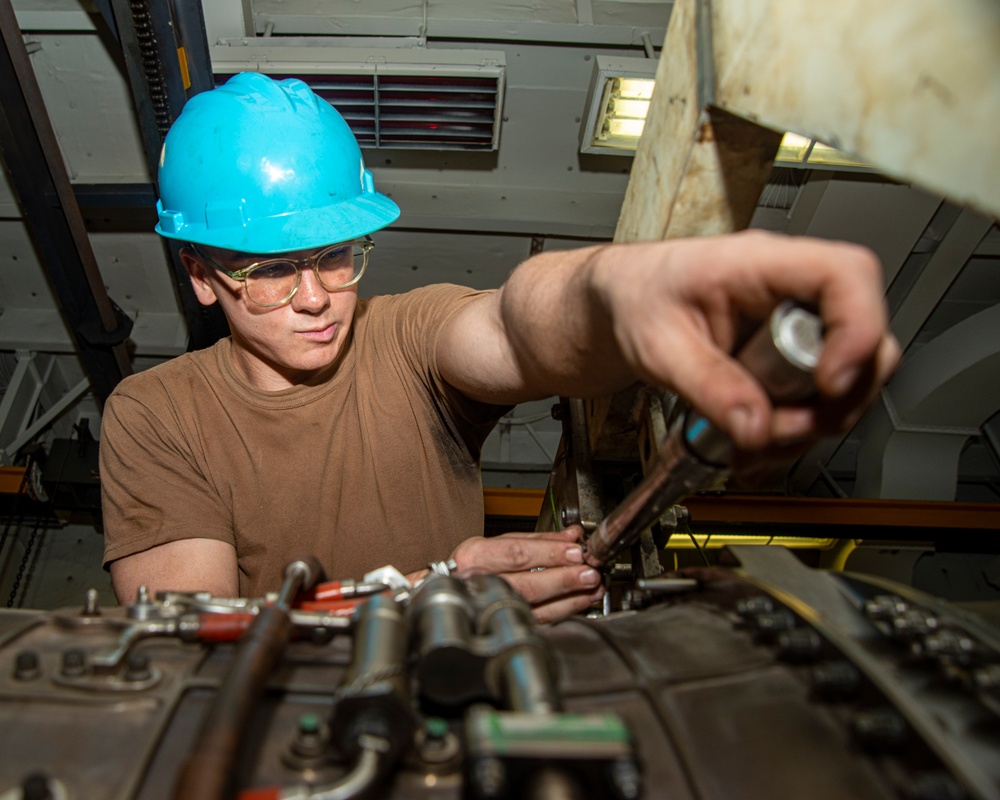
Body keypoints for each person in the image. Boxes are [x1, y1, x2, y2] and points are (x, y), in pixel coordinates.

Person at [100, 73, 899, 622]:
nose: (315, 297)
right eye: (270, 271)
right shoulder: (156, 414)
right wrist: (434, 594)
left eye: (337, 255)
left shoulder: (403, 340)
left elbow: (515, 326)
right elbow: (190, 646)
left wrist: (614, 291)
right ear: (201, 277)